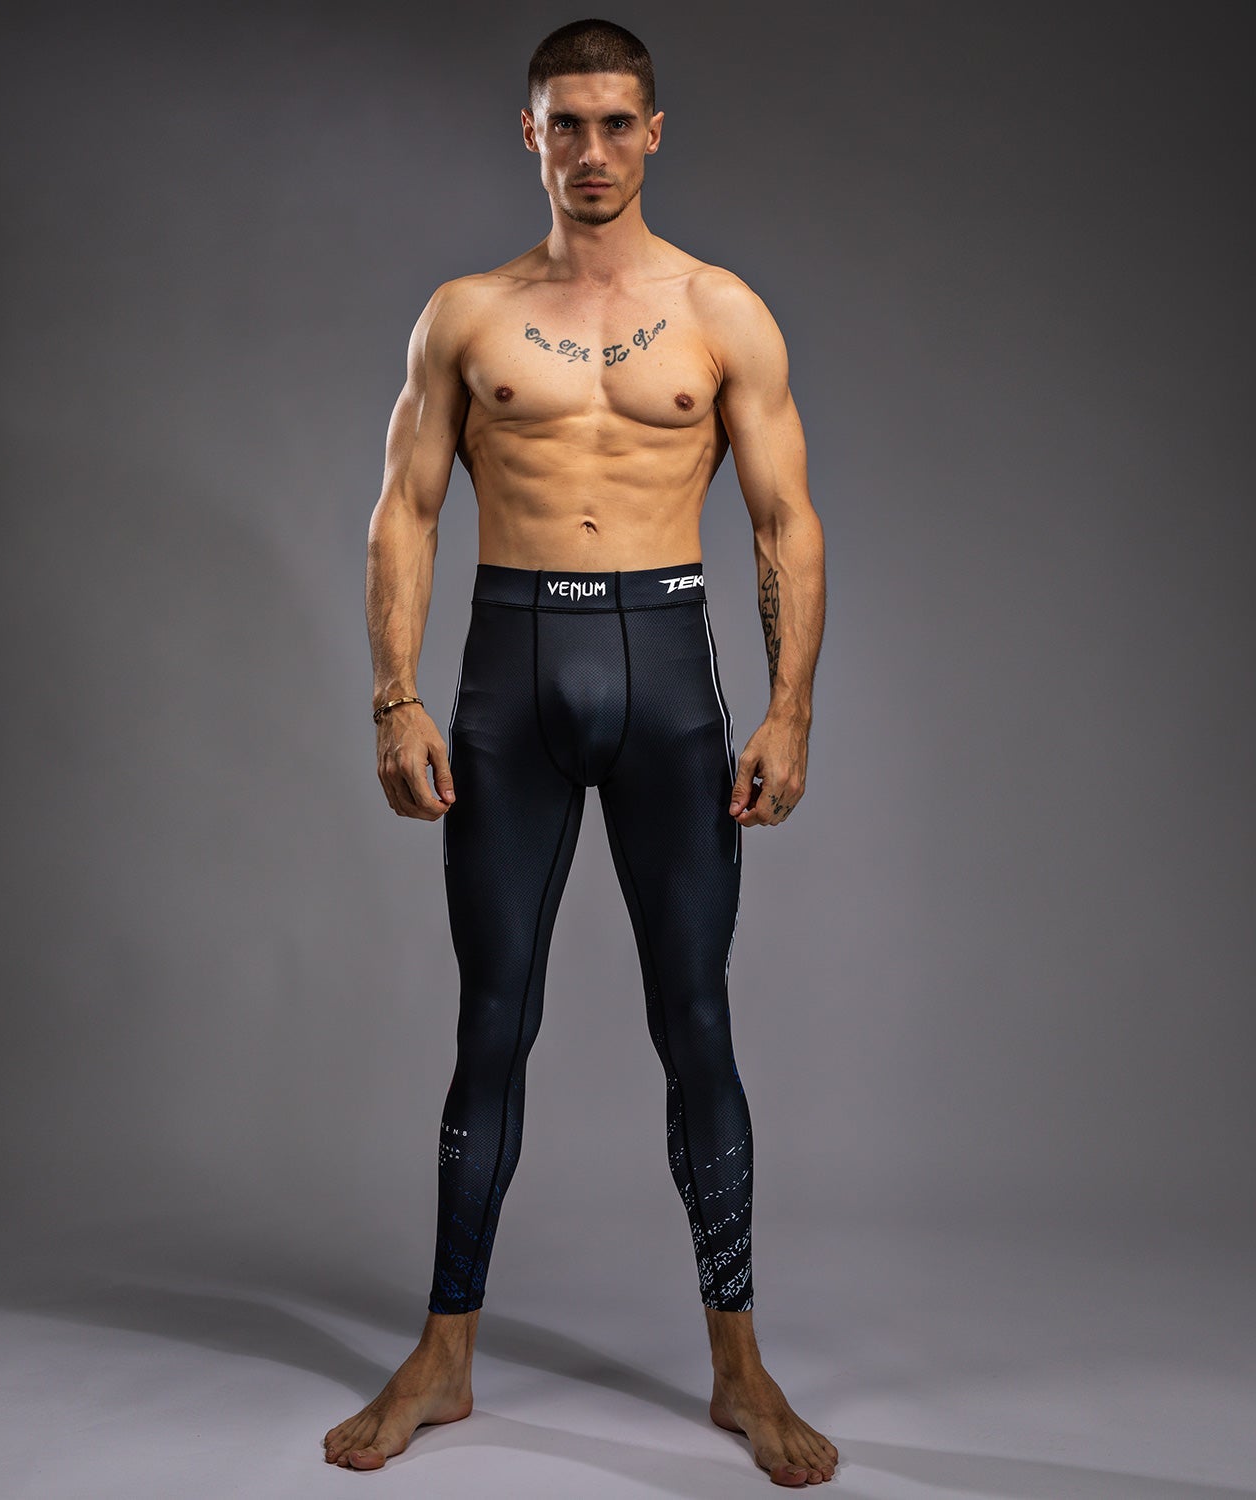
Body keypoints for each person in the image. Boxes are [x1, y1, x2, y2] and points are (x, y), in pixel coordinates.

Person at [325, 18, 836, 1488]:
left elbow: (785, 519)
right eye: (567, 124)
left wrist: (791, 709)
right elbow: (406, 509)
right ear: (530, 134)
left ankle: (739, 1366)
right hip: (512, 674)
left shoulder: (722, 311)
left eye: (617, 124)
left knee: (696, 1020)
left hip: (669, 674)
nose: (593, 151)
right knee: (492, 1024)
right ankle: (444, 1354)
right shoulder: (466, 315)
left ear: (653, 133)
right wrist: (392, 698)